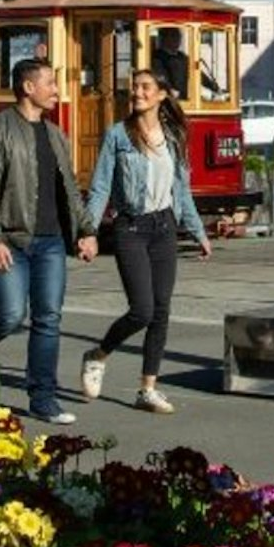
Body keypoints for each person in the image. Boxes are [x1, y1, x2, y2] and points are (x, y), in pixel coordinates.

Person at [0, 58, 98, 425]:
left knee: (48, 319)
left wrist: (85, 230)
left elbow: (68, 188)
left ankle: (43, 398)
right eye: (50, 83)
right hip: (11, 239)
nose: (57, 90)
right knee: (8, 315)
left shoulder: (56, 134)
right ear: (27, 87)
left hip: (51, 241)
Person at [80, 67, 212, 414]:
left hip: (164, 228)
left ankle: (147, 389)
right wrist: (89, 232)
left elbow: (182, 190)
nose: (136, 92)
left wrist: (198, 231)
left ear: (162, 94)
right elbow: (100, 188)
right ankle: (97, 355)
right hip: (131, 228)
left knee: (162, 311)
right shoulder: (118, 135)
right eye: (133, 87)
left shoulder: (174, 136)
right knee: (142, 310)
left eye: (144, 87)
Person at [151, 28, 219, 100]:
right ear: (164, 38)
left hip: (186, 98)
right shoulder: (158, 58)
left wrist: (214, 88)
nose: (177, 39)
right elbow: (161, 79)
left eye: (179, 36)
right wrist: (173, 92)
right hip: (170, 101)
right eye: (173, 36)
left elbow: (198, 74)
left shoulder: (182, 57)